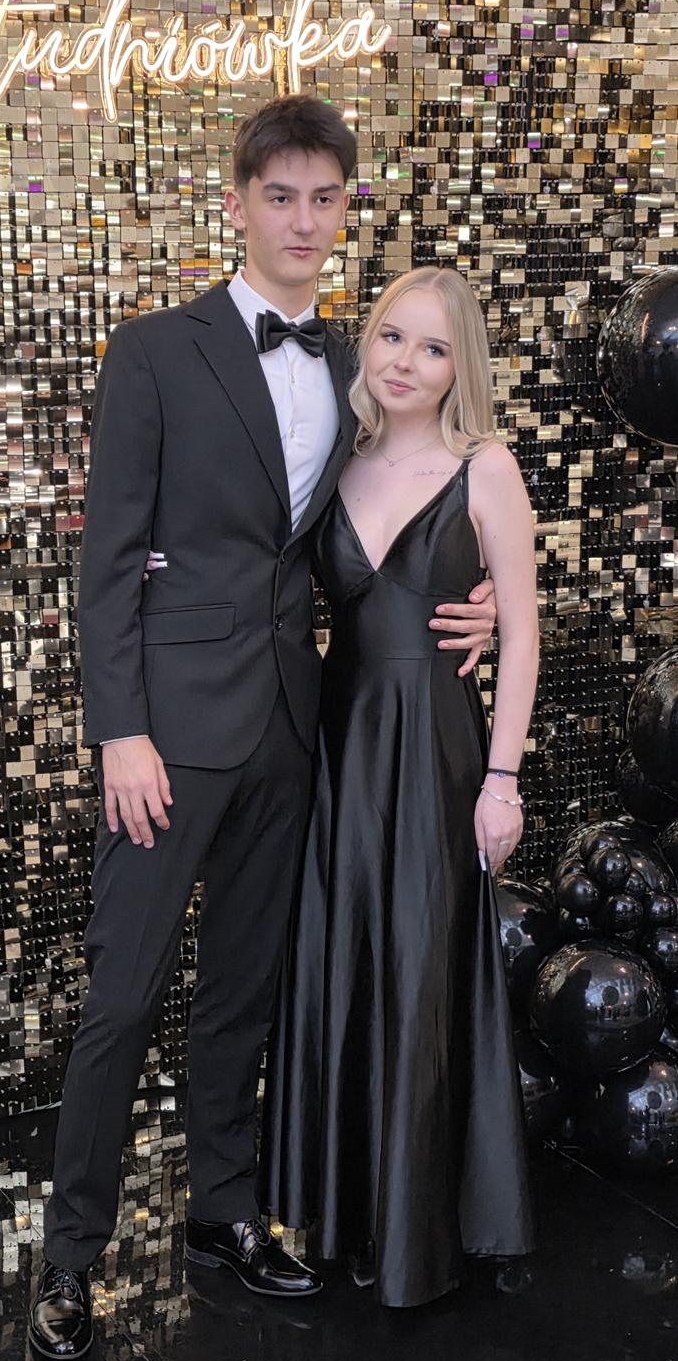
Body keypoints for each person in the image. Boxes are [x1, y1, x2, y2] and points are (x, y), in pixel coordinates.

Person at [28, 99, 499, 1361]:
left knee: (243, 986)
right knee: (123, 996)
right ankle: (68, 1259)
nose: (302, 220)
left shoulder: (360, 362)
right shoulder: (155, 350)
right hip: (169, 735)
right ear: (237, 203)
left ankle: (222, 1209)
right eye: (279, 196)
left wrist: (487, 594)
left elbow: (424, 488)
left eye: (324, 199)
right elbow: (107, 559)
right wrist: (120, 731)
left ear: (344, 212)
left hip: (295, 724)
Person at [262, 266, 539, 1308]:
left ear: (459, 367)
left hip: (435, 746)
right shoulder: (335, 458)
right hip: (339, 743)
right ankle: (345, 1214)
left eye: (432, 348)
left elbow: (522, 632)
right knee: (344, 960)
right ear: (365, 344)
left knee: (423, 966)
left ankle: (422, 1227)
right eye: (391, 337)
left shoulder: (485, 466)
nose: (406, 363)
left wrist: (502, 778)